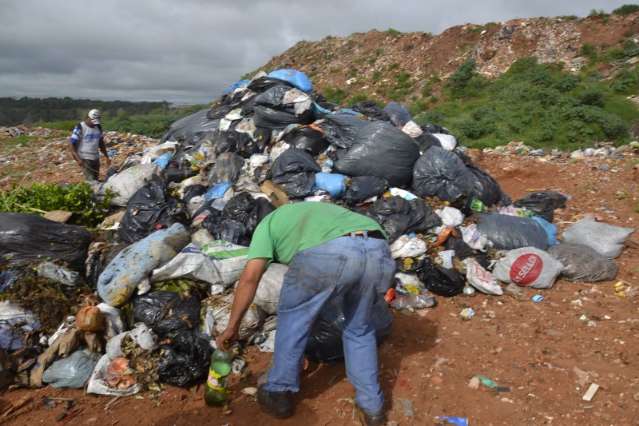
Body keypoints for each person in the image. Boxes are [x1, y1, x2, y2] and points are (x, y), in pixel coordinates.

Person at [216, 202, 395, 425]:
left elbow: (250, 278)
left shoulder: (265, 226)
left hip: (329, 254)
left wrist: (232, 326)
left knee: (293, 321)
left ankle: (278, 391)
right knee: (359, 328)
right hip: (378, 249)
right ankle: (372, 408)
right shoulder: (307, 209)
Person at [68, 109, 110, 181]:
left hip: (95, 158)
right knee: (91, 181)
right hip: (85, 158)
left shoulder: (98, 127)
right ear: (88, 118)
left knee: (95, 179)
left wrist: (106, 156)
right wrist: (78, 160)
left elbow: (101, 143)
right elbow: (72, 145)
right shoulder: (80, 127)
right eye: (93, 121)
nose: (94, 123)